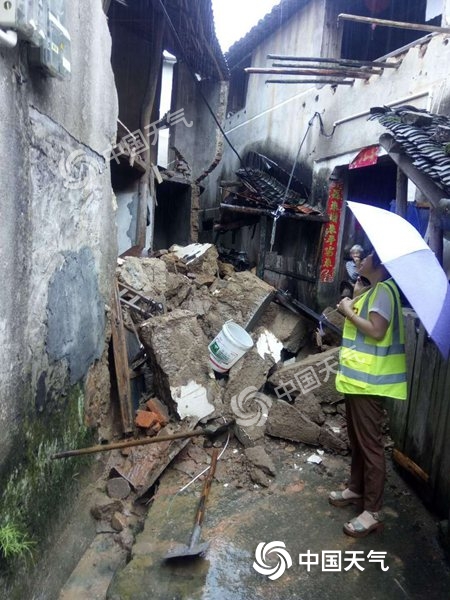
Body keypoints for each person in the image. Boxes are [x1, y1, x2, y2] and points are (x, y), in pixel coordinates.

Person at [329, 250, 407, 538]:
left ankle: (372, 510)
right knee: (358, 441)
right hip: (357, 381)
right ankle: (355, 488)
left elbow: (376, 330)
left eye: (370, 255)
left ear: (382, 264)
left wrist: (348, 310)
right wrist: (357, 297)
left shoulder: (385, 292)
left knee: (371, 446)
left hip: (370, 383)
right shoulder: (374, 291)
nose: (362, 257)